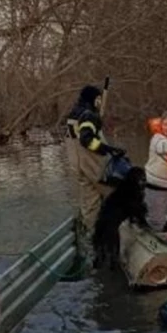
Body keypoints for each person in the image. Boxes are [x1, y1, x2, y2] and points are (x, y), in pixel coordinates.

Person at [65, 84, 125, 233]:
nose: (99, 101)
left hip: (78, 166)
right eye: (98, 98)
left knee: (90, 205)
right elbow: (86, 139)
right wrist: (108, 149)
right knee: (117, 196)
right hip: (94, 166)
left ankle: (92, 237)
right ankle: (120, 232)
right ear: (93, 99)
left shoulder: (73, 114)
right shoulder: (88, 115)